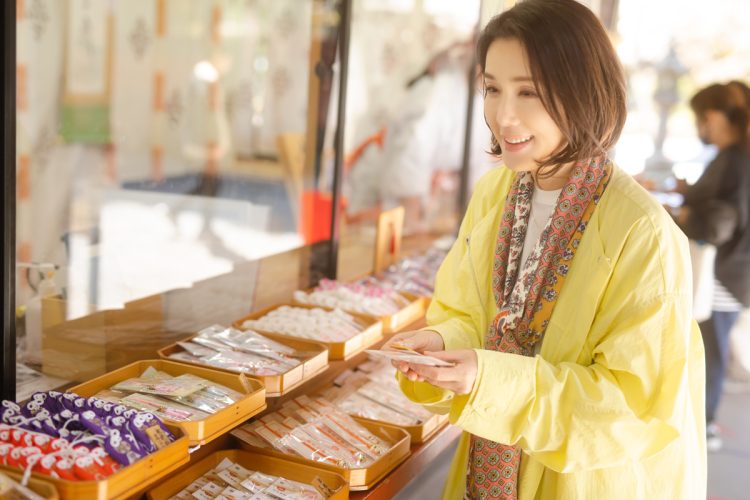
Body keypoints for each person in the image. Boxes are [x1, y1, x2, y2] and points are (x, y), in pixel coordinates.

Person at [382, 1, 706, 498]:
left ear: (583, 92)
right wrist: (445, 344)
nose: (502, 114)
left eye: (528, 91)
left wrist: (491, 378)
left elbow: (632, 406)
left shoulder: (642, 232)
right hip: (490, 460)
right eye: (492, 88)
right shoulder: (496, 195)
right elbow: (468, 311)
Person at [675, 80, 750, 451]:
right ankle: (703, 424)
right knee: (710, 349)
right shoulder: (737, 157)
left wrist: (684, 212)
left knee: (709, 352)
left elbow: (721, 221)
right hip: (732, 274)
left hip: (722, 275)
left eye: (704, 117)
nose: (702, 126)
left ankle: (704, 426)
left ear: (718, 116)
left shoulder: (734, 158)